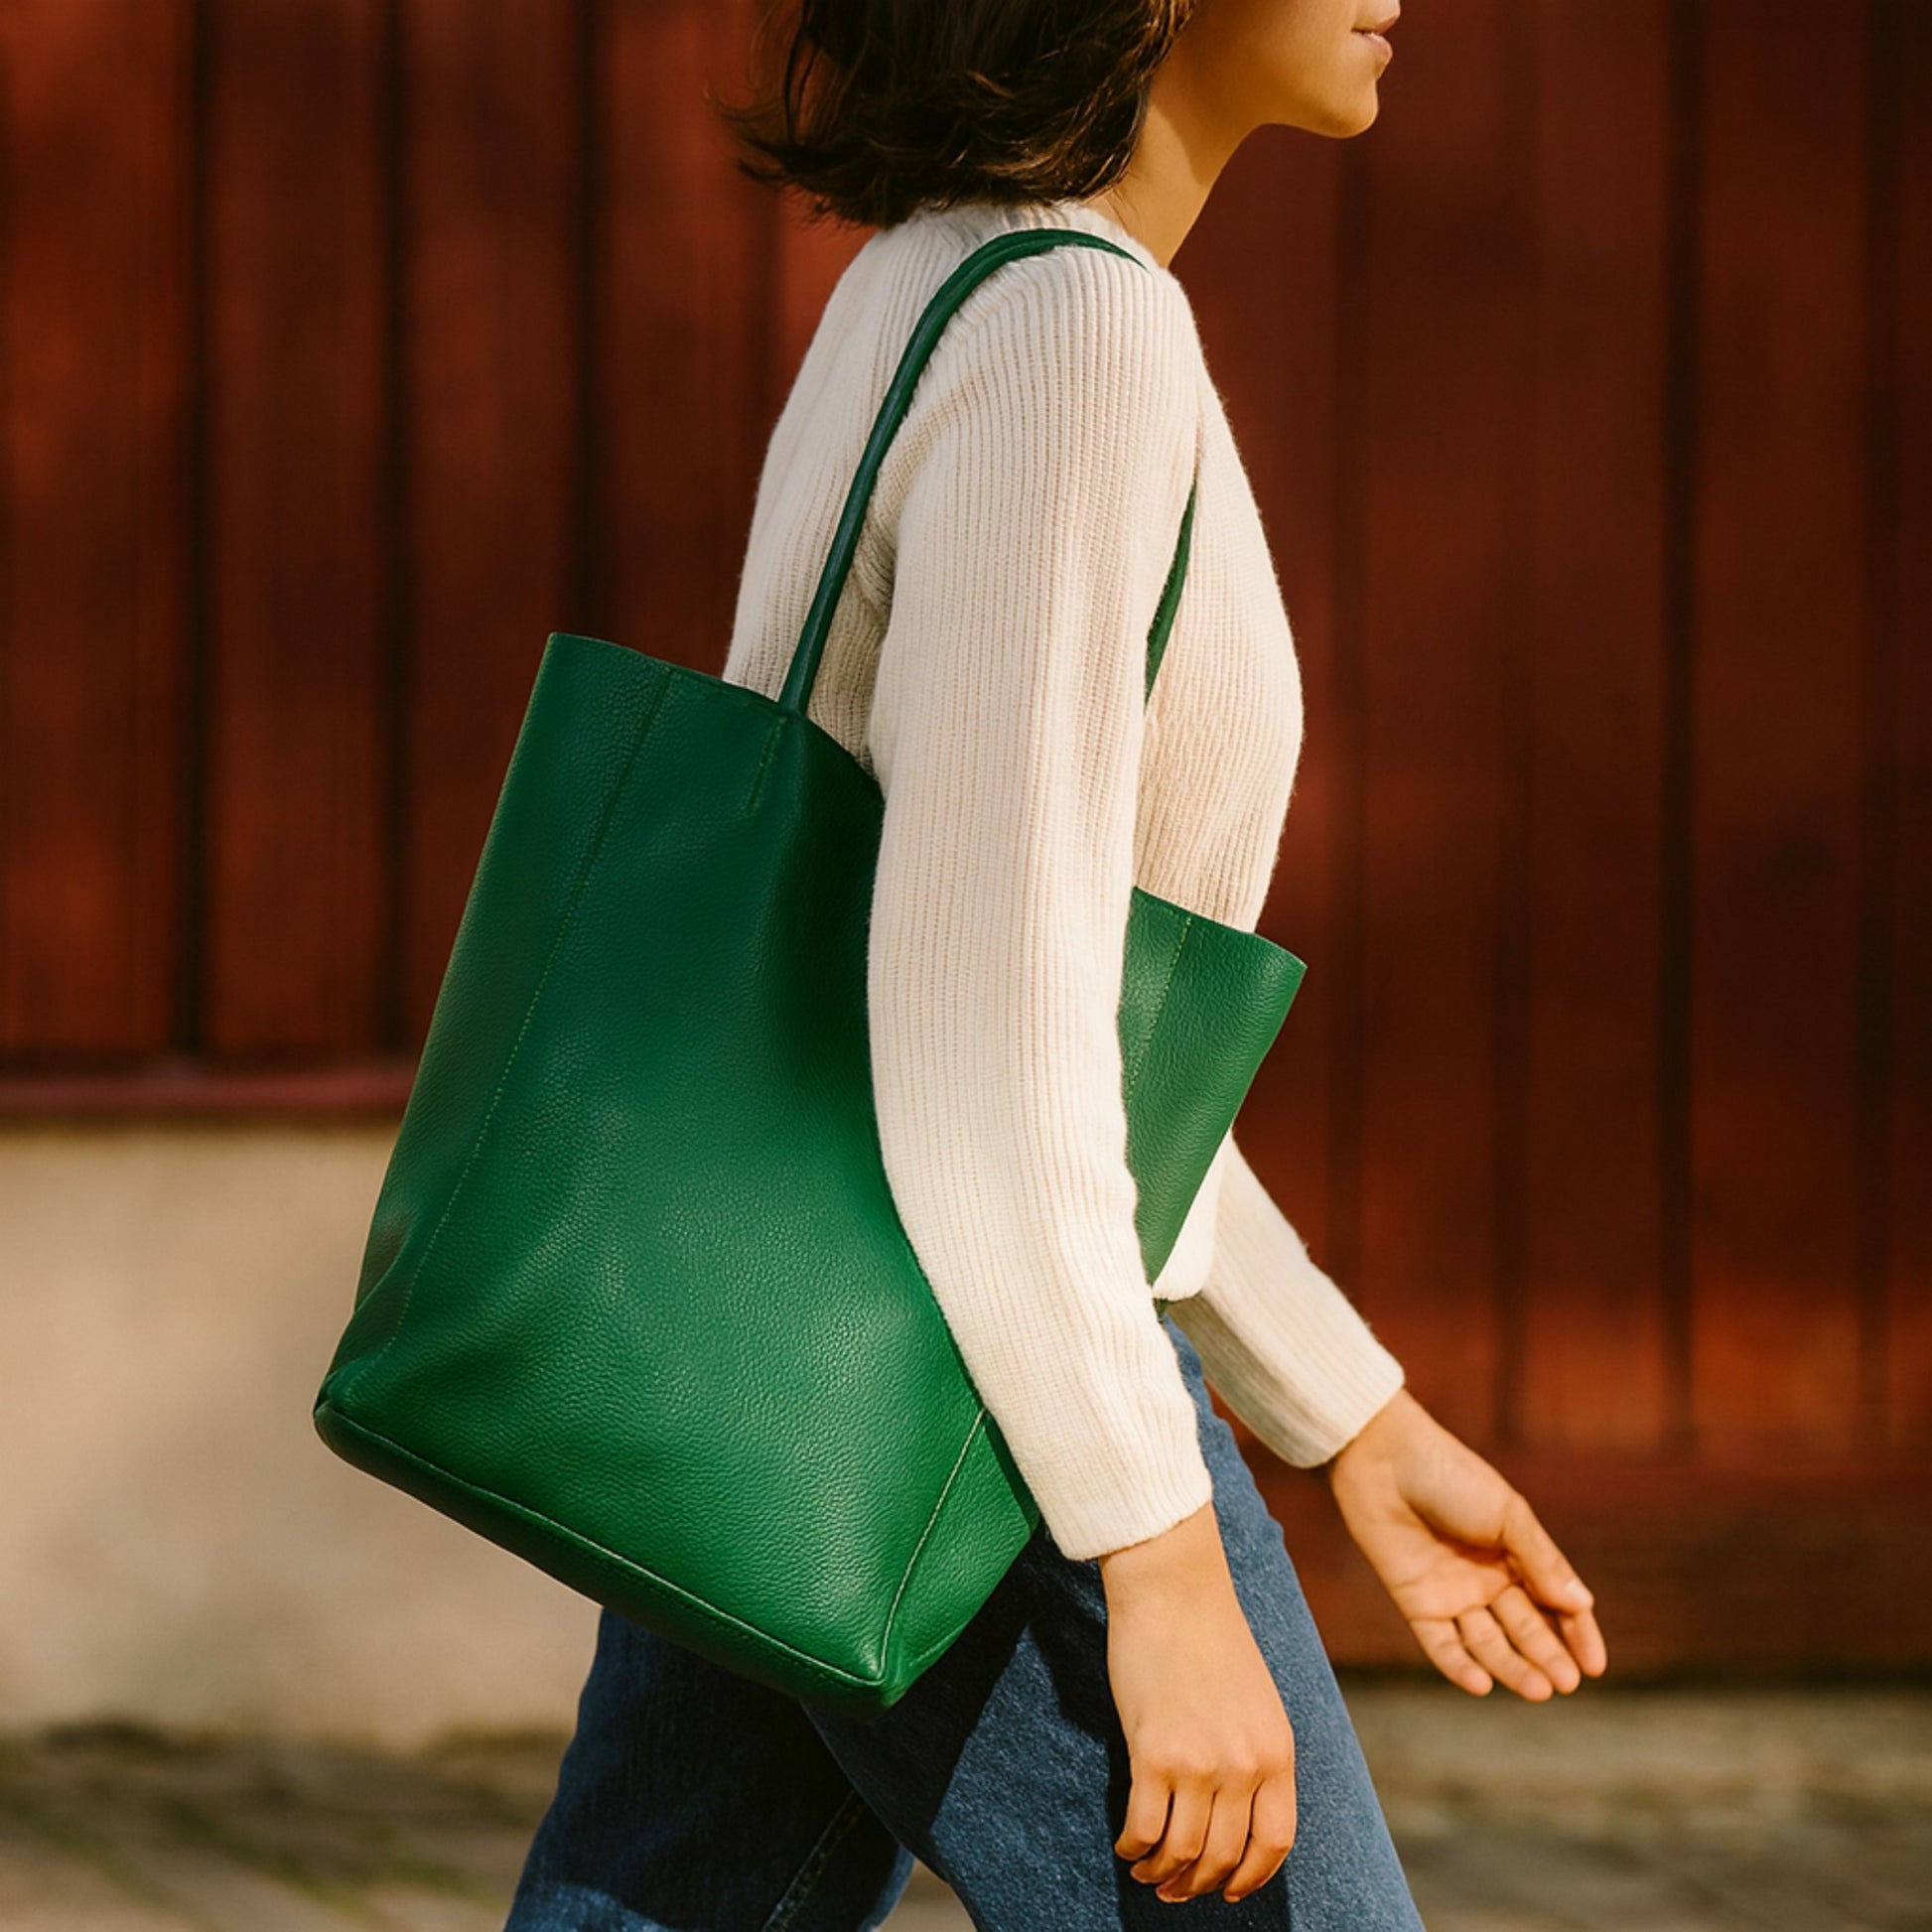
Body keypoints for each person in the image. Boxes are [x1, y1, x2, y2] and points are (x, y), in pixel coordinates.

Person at [504, 1, 1608, 1924]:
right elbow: (986, 1044)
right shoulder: (1075, 342)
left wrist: (1347, 1412)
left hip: (785, 1324)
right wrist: (1157, 1557)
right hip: (974, 1391)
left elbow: (1024, 1002)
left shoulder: (932, 286)